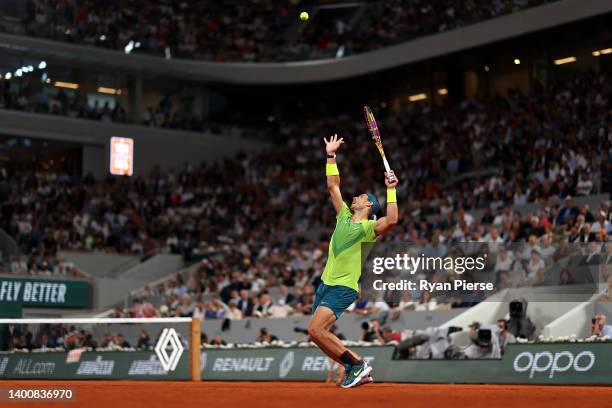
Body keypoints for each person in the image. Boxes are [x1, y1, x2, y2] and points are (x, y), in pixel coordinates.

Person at [307, 134, 399, 388]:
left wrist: (391, 191)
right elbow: (333, 186)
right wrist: (330, 155)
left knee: (315, 330)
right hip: (325, 284)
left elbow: (391, 220)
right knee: (318, 335)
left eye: (361, 195)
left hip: (343, 286)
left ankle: (357, 365)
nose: (355, 196)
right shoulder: (344, 215)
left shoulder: (370, 228)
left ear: (369, 204)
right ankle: (355, 367)